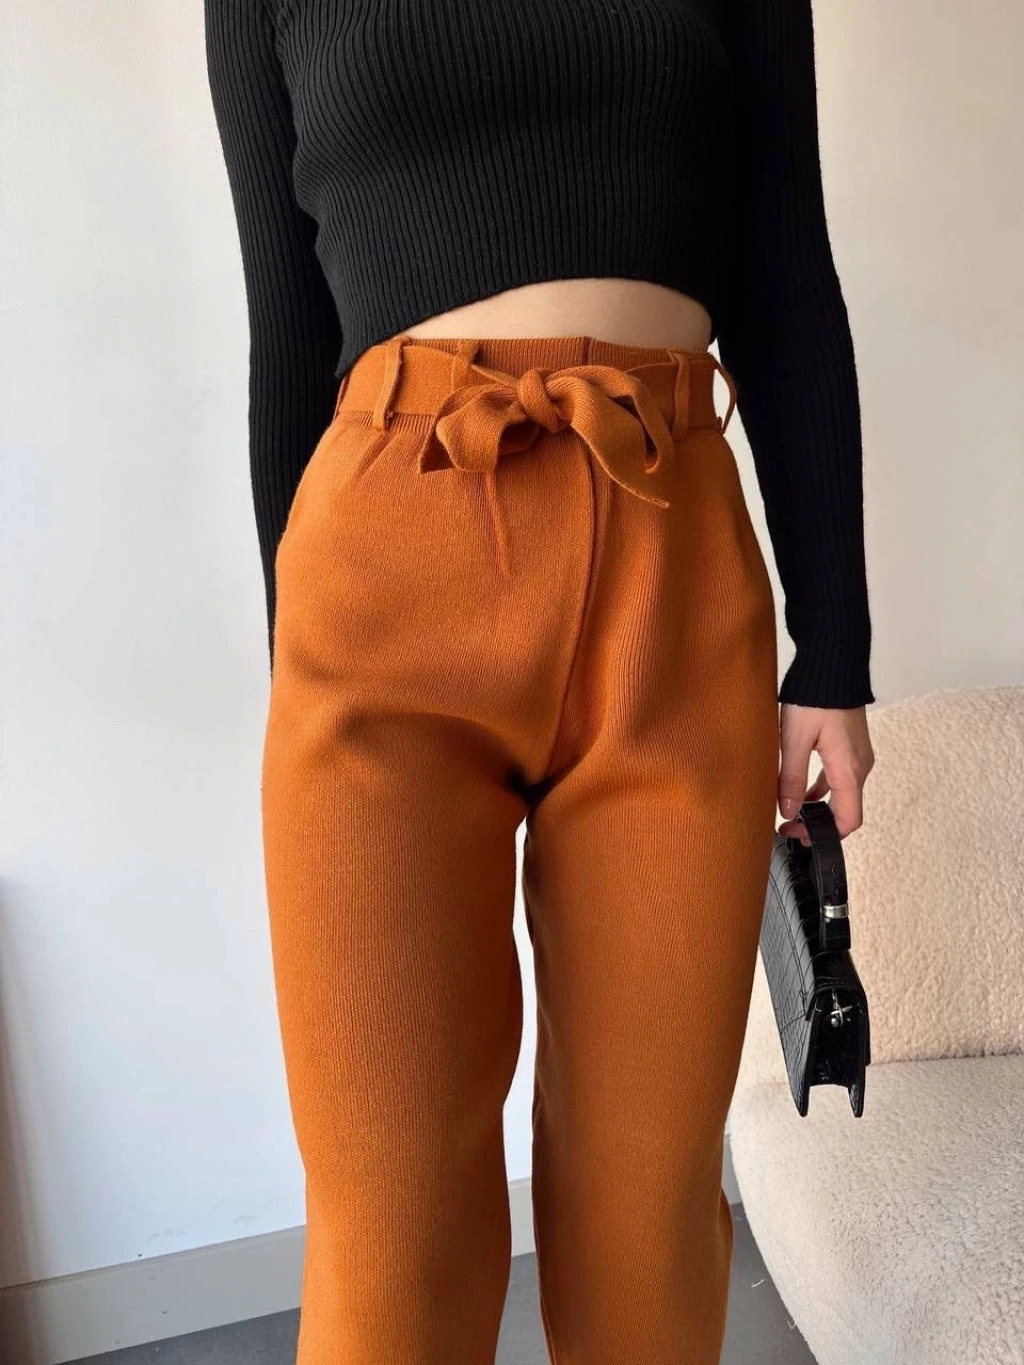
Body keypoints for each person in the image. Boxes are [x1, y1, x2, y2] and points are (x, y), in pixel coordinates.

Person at [204, 1, 876, 1360]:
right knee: (389, 1229)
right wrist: (293, 662)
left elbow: (787, 280)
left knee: (649, 1207)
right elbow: (288, 327)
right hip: (382, 577)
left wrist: (837, 654)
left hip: (672, 565)